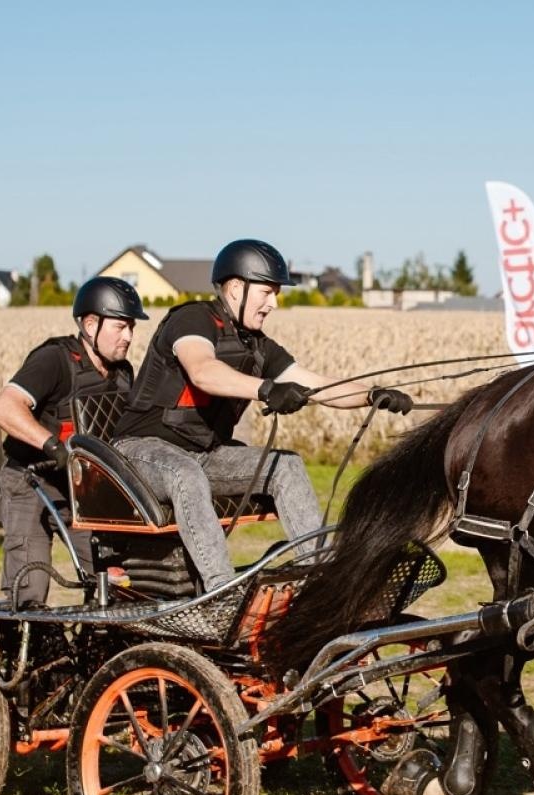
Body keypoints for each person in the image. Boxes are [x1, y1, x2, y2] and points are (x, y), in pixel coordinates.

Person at [112, 238, 412, 592]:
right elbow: (203, 371)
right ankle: (221, 590)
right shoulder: (192, 319)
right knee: (185, 473)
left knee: (285, 465)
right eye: (267, 292)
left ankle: (324, 578)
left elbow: (316, 384)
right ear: (235, 288)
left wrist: (371, 396)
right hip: (139, 450)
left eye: (276, 294)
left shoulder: (257, 345)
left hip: (202, 454)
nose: (273, 303)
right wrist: (267, 389)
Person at [0, 276, 147, 605]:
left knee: (114, 581)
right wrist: (53, 447)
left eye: (131, 327)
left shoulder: (123, 374)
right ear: (90, 325)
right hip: (29, 481)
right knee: (29, 588)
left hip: (79, 488)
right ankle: (24, 636)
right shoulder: (55, 360)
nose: (129, 336)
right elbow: (3, 408)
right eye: (120, 327)